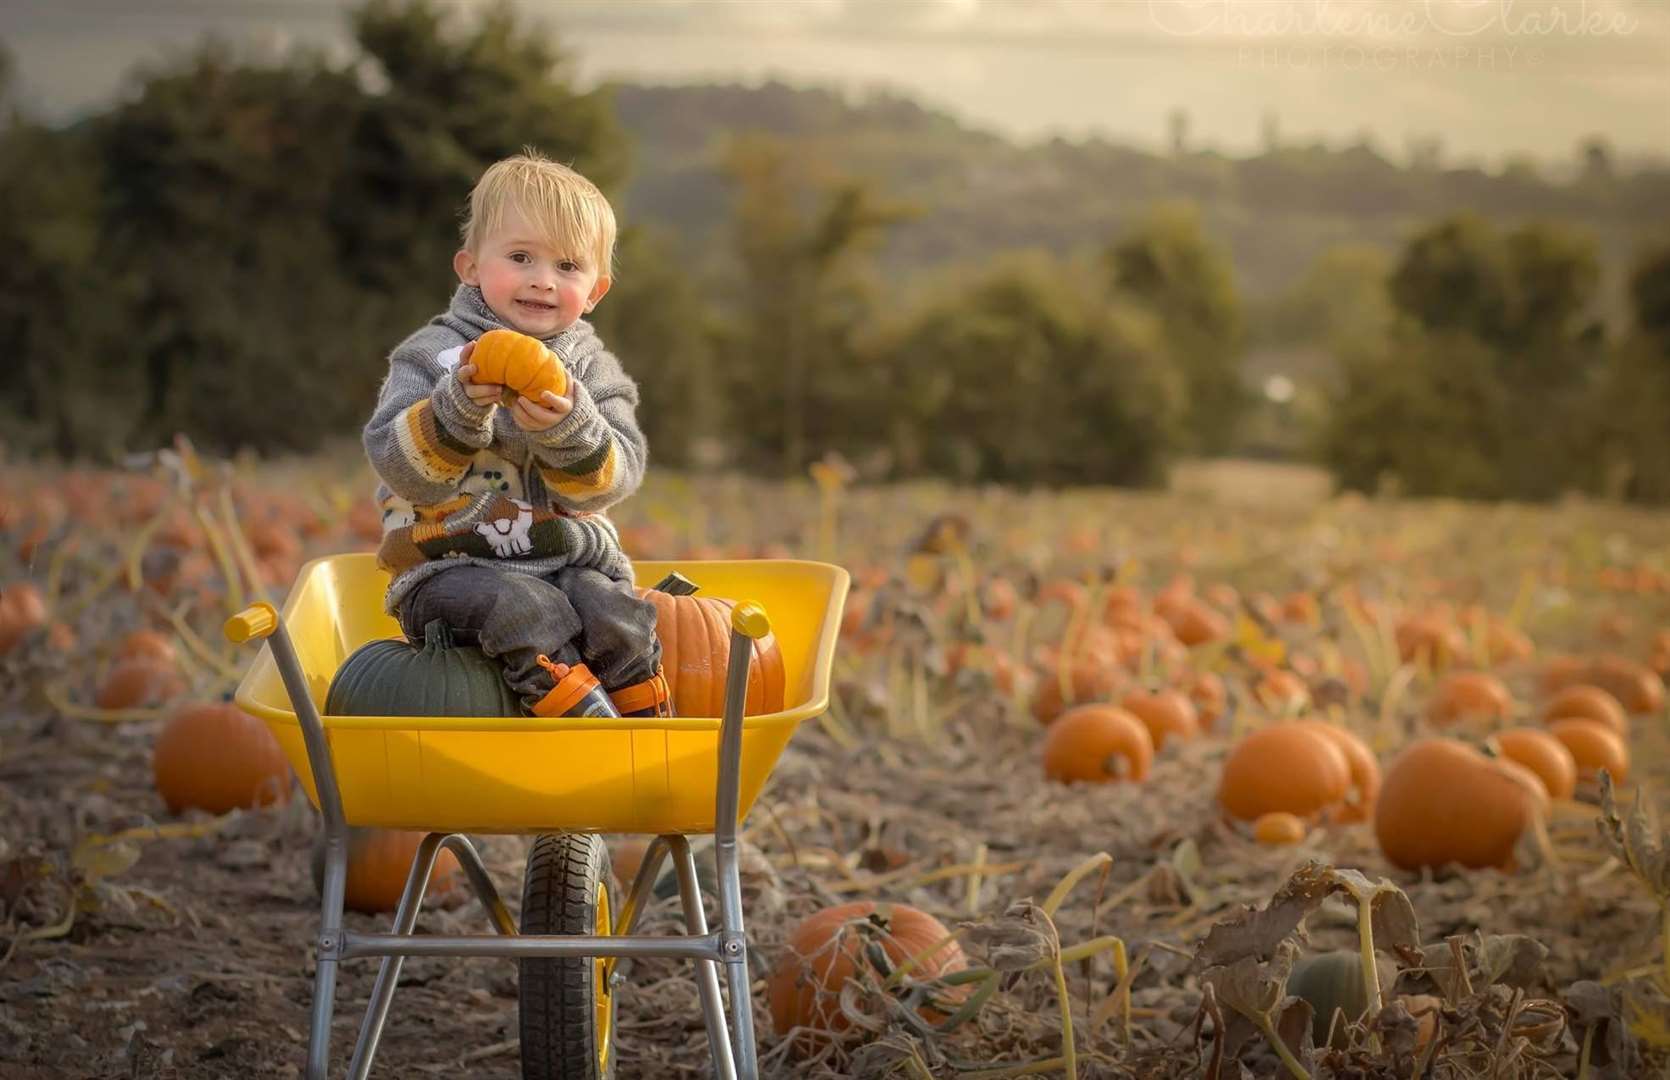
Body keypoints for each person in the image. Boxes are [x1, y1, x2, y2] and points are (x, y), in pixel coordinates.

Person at [361, 149, 670, 720]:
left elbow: (610, 481)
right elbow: (400, 468)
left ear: (596, 290)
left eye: (567, 267)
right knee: (523, 606)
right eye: (521, 256)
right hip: (448, 568)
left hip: (570, 562)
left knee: (615, 612)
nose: (542, 281)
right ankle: (579, 719)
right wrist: (454, 411)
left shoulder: (593, 374)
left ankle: (647, 721)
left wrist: (569, 430)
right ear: (471, 267)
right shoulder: (433, 359)